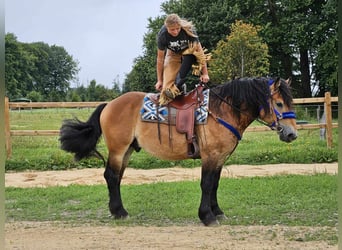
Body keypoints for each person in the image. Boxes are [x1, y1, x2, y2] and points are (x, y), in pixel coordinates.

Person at [154, 13, 211, 105]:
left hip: (190, 52)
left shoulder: (188, 29)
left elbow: (199, 51)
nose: (176, 32)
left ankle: (178, 84)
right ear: (167, 27)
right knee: (166, 93)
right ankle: (178, 88)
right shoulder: (162, 35)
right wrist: (160, 80)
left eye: (178, 29)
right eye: (172, 30)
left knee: (191, 54)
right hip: (173, 54)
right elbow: (160, 59)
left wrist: (205, 73)